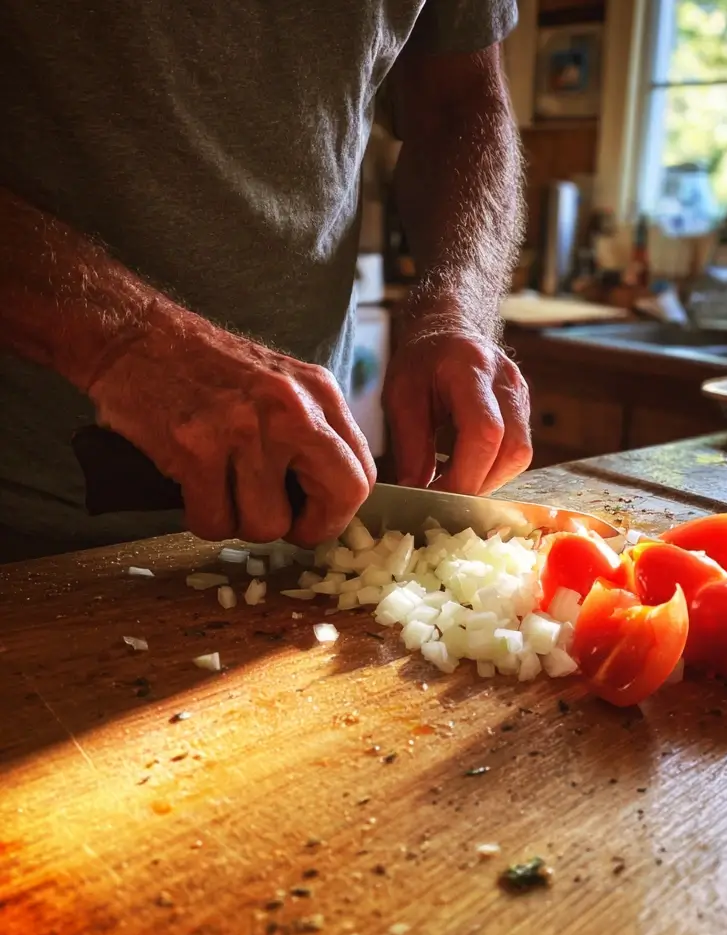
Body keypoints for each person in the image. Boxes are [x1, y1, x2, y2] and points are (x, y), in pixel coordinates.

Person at [0, 1, 532, 562]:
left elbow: (460, 104)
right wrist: (127, 342)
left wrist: (457, 306)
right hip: (23, 504)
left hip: (303, 517)